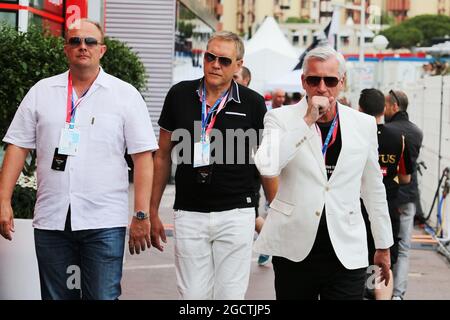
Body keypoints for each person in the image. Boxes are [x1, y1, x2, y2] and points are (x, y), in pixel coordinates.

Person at [0, 19, 158, 300]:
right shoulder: (42, 92)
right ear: (66, 50)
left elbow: (143, 157)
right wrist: (3, 201)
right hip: (52, 219)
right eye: (75, 41)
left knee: (102, 297)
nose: (82, 47)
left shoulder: (125, 95)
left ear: (102, 50)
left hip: (103, 220)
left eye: (90, 42)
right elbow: (17, 146)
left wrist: (141, 214)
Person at [253, 46, 393, 300]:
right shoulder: (280, 118)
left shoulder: (363, 124)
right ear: (303, 82)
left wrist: (383, 244)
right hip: (293, 247)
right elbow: (267, 165)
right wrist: (305, 121)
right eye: (313, 79)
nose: (321, 87)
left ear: (341, 83)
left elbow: (373, 188)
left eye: (329, 80)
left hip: (346, 249)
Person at [149, 31, 276, 299]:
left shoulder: (253, 103)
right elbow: (161, 155)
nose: (215, 64)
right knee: (192, 296)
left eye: (224, 60)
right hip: (189, 211)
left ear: (238, 65)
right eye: (210, 57)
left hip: (237, 212)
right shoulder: (179, 94)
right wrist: (152, 210)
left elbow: (267, 161)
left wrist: (275, 212)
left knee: (230, 296)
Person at [359, 88, 413, 300]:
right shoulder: (398, 138)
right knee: (381, 262)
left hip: (359, 207)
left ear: (360, 109)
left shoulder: (356, 135)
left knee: (358, 260)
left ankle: (365, 292)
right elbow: (406, 177)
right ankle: (375, 294)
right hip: (388, 207)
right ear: (384, 109)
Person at [384, 89, 423, 300]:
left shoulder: (388, 131)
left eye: (386, 105)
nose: (384, 109)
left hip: (390, 197)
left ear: (395, 106)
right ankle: (398, 295)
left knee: (382, 245)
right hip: (409, 198)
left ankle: (379, 289)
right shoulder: (417, 132)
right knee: (405, 248)